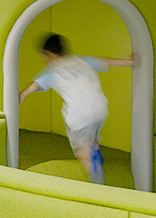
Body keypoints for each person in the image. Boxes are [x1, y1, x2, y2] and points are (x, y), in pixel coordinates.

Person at [18, 33, 136, 185]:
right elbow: (104, 61)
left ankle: (97, 181)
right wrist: (129, 62)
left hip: (80, 117)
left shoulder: (52, 70)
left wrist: (22, 94)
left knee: (82, 150)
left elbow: (35, 85)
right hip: (100, 110)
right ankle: (94, 146)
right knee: (91, 133)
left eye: (44, 56)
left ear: (49, 54)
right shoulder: (80, 61)